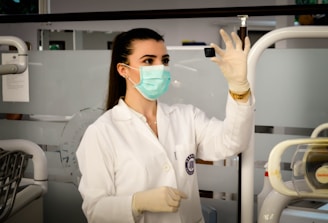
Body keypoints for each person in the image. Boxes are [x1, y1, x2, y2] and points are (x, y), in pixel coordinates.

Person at [76, 27, 255, 223]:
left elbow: (232, 142)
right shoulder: (101, 133)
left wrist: (239, 87)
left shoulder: (186, 116)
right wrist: (136, 203)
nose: (160, 67)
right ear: (123, 70)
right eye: (148, 61)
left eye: (165, 60)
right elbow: (95, 210)